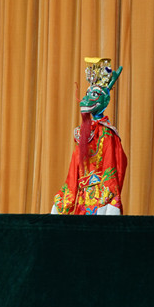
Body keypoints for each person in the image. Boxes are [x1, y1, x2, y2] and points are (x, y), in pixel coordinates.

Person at [52, 57, 127, 215]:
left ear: (105, 100)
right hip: (82, 202)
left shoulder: (107, 133)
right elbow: (73, 172)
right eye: (87, 94)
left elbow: (111, 167)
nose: (86, 99)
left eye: (94, 94)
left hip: (100, 201)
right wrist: (63, 203)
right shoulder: (83, 135)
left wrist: (108, 202)